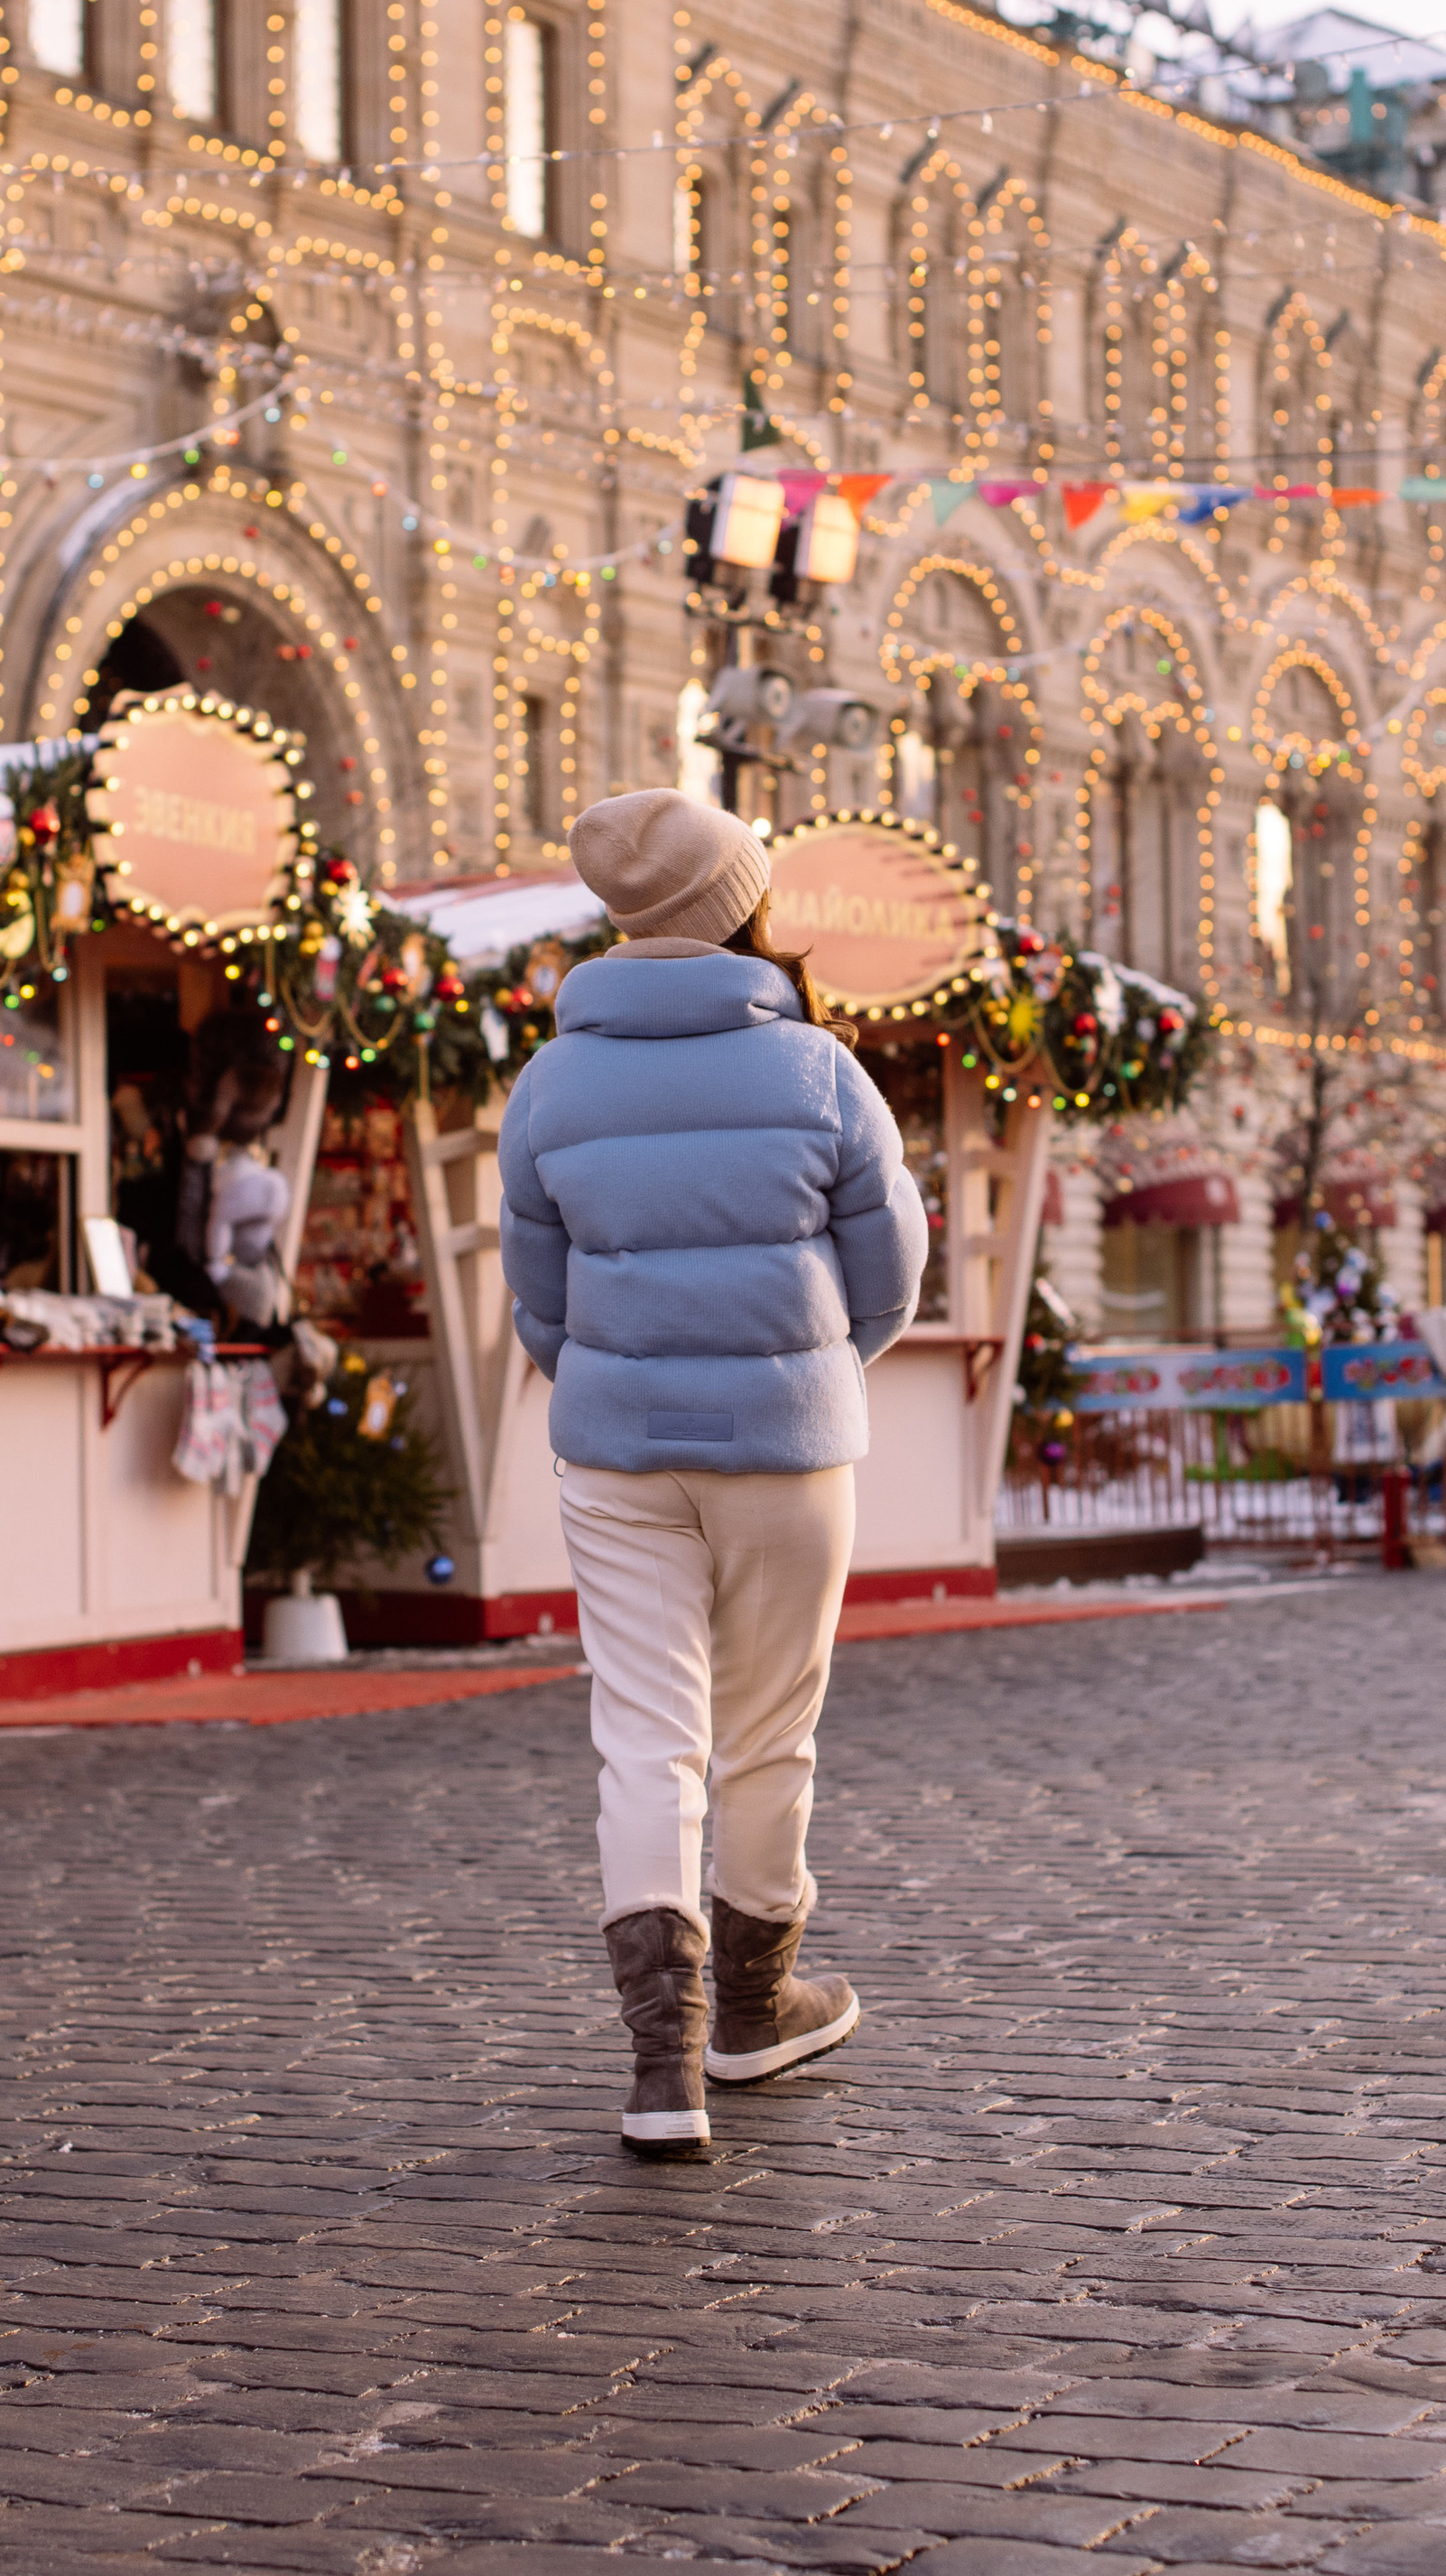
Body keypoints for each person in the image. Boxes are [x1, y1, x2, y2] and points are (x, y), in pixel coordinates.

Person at [496, 787, 928, 2156]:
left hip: (617, 1451)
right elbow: (892, 1275)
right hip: (789, 1445)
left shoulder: (549, 1082)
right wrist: (810, 1360)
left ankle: (659, 2067)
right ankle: (753, 2011)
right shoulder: (817, 1068)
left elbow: (538, 1300)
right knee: (768, 1732)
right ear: (740, 905)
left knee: (644, 1739)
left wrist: (619, 1373)